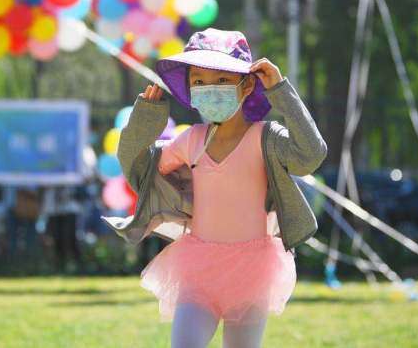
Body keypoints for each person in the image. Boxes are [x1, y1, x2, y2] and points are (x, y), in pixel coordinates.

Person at [106, 28, 327, 348]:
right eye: (199, 82)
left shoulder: (267, 138)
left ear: (247, 84)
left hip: (253, 271)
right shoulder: (189, 140)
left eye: (222, 81)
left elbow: (311, 155)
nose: (210, 90)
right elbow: (139, 173)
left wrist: (280, 90)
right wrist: (144, 121)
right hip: (197, 268)